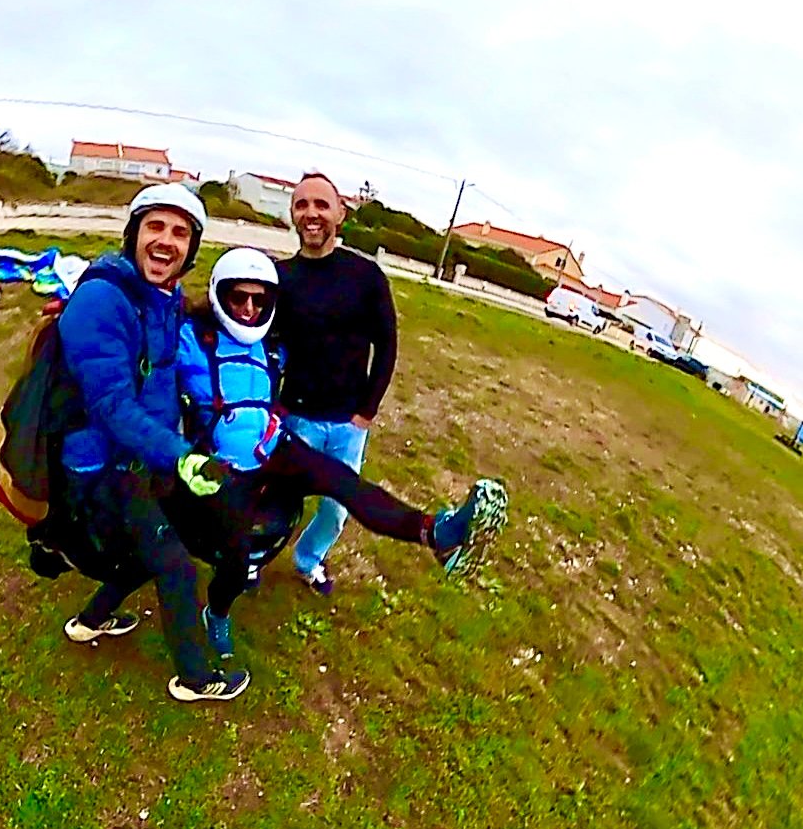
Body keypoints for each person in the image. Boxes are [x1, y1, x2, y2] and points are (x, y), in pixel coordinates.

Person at [173, 247, 508, 657]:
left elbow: (327, 339)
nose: (248, 309)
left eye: (259, 301)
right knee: (236, 556)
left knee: (344, 482)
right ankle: (218, 613)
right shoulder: (189, 338)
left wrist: (363, 403)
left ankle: (437, 532)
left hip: (274, 448)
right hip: (221, 464)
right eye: (237, 297)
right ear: (217, 294)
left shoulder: (271, 343)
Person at [53, 183, 247, 703]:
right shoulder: (103, 300)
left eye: (180, 233)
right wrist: (181, 456)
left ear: (191, 249)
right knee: (175, 565)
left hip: (143, 457)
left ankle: (89, 622)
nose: (166, 241)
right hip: (101, 468)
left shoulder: (163, 298)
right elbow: (111, 406)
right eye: (155, 226)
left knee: (151, 553)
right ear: (133, 234)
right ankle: (196, 679)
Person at [273, 172, 399, 595]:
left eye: (321, 205)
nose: (311, 213)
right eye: (302, 204)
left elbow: (387, 345)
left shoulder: (366, 276)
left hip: (348, 423)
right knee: (277, 499)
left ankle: (308, 560)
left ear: (340, 214)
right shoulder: (280, 277)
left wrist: (367, 411)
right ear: (293, 213)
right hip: (295, 417)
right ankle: (253, 558)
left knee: (336, 509)